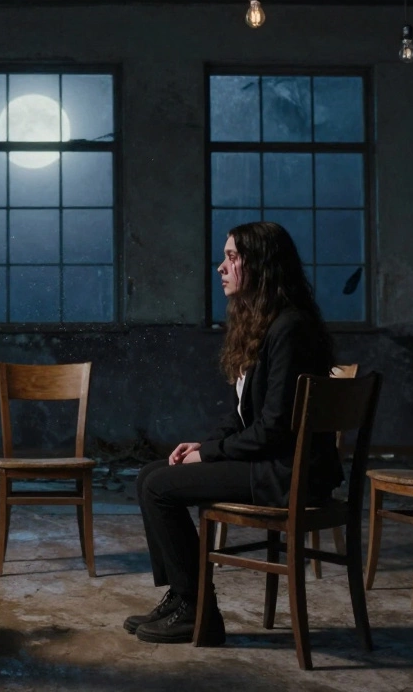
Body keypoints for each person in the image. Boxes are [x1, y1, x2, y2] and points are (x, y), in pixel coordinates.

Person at [125, 221, 341, 645]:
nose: (221, 267)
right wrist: (204, 446)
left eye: (232, 257)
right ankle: (185, 597)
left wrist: (212, 454)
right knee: (151, 475)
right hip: (273, 462)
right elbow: (246, 415)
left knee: (159, 488)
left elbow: (275, 428)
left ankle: (195, 609)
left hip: (287, 472)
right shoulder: (266, 325)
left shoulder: (290, 329)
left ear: (259, 265)